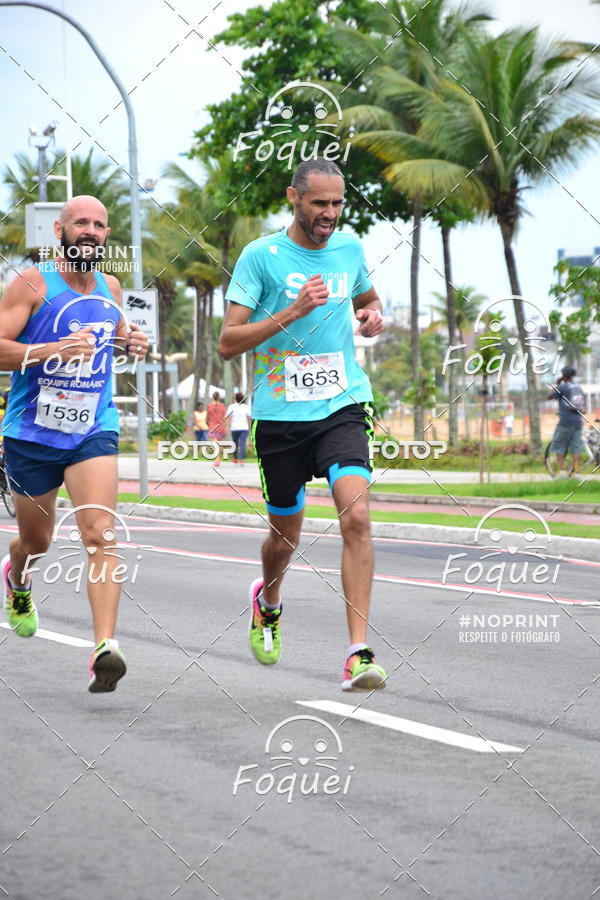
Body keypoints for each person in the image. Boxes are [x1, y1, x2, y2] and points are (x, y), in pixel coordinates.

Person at [218, 157, 387, 691]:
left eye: (337, 203)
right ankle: (268, 600)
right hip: (280, 416)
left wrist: (372, 315)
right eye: (319, 203)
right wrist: (291, 311)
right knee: (284, 535)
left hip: (342, 404)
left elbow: (367, 297)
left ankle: (358, 653)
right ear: (294, 198)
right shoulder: (260, 256)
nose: (330, 214)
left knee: (356, 517)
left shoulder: (349, 249)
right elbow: (228, 342)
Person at [0, 195, 148, 692]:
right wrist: (52, 350)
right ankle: (18, 575)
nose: (90, 231)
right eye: (80, 222)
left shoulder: (110, 287)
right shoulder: (32, 284)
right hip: (32, 433)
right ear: (59, 230)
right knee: (37, 541)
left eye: (99, 225)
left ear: (107, 236)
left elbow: (116, 334)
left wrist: (131, 342)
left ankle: (105, 647)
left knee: (101, 534)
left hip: (92, 427)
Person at [547, 365, 586, 476]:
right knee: (576, 447)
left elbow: (549, 397)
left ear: (563, 375)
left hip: (565, 422)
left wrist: (557, 383)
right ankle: (577, 471)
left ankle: (563, 472)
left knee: (560, 445)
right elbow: (583, 407)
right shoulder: (578, 388)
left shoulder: (562, 387)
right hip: (578, 422)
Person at [227, 391, 251, 464]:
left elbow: (228, 417)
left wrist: (228, 426)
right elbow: (249, 418)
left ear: (235, 398)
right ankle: (242, 459)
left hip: (234, 428)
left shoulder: (231, 407)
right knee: (243, 443)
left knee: (235, 443)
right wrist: (249, 427)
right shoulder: (246, 407)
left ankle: (235, 458)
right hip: (244, 428)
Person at [206, 390, 226, 466]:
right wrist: (226, 426)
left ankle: (217, 460)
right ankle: (218, 459)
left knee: (215, 444)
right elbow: (224, 417)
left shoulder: (209, 406)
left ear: (213, 397)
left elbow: (207, 417)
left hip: (212, 426)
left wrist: (208, 423)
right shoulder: (222, 406)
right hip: (220, 426)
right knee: (218, 444)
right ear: (219, 397)